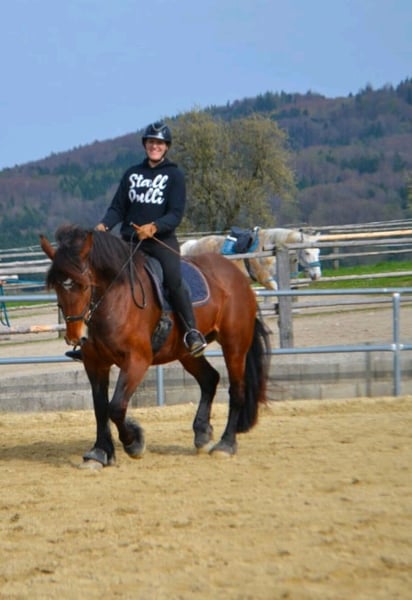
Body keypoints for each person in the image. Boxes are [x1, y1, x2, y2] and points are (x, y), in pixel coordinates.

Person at [66, 121, 207, 361]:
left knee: (174, 280)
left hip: (160, 242)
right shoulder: (132, 174)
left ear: (166, 147)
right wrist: (104, 225)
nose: (155, 146)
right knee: (101, 280)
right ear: (145, 145)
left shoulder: (174, 175)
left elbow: (175, 214)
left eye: (159, 143)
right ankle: (92, 341)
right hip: (129, 243)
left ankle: (192, 332)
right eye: (151, 142)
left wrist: (155, 227)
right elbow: (117, 208)